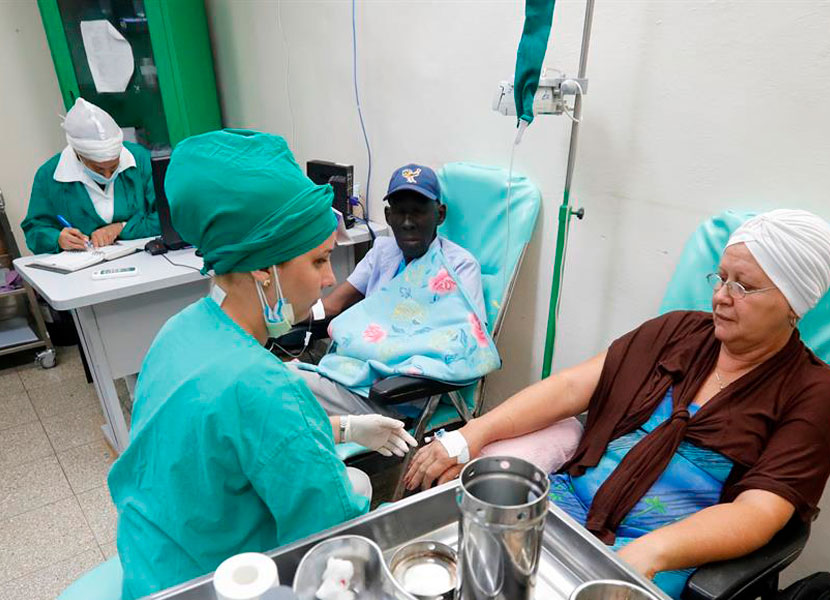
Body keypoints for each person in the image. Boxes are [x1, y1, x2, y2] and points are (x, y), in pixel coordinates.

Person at [403, 209, 830, 598]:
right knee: (446, 558)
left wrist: (653, 551)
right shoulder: (678, 332)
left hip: (663, 550)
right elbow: (571, 388)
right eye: (722, 277)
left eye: (744, 286)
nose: (722, 295)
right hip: (564, 505)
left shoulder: (813, 390)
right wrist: (470, 436)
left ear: (794, 304)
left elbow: (759, 512)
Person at [107, 129, 416, 600]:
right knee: (357, 486)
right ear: (262, 268)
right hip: (211, 584)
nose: (329, 279)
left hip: (151, 562)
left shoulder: (181, 329)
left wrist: (346, 428)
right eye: (319, 261)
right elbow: (331, 537)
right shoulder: (265, 387)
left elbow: (233, 439)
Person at [294, 163, 488, 417]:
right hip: (348, 373)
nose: (407, 223)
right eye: (400, 212)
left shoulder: (459, 266)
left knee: (283, 385)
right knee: (280, 380)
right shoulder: (383, 252)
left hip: (395, 393)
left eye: (418, 212)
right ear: (388, 216)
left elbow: (468, 343)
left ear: (440, 215)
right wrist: (281, 320)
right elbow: (333, 305)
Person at [21, 98, 160, 254]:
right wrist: (57, 238)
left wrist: (122, 228)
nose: (108, 175)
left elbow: (167, 216)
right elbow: (34, 231)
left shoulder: (139, 159)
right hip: (86, 265)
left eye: (114, 167)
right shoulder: (49, 175)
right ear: (78, 155)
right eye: (99, 169)